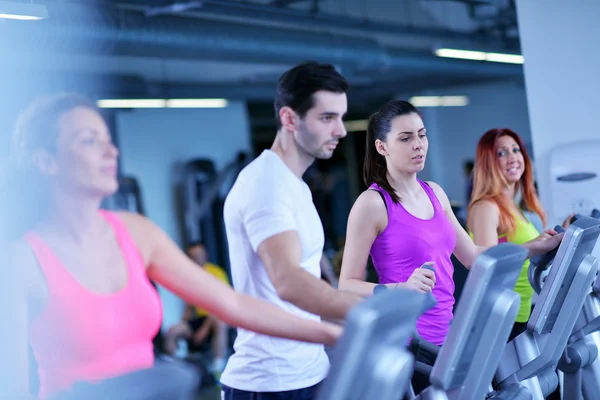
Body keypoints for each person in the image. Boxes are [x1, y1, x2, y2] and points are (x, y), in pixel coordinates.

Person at [0, 93, 342, 400]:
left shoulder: (136, 234)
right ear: (46, 161)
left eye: (108, 139)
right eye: (89, 141)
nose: (111, 151)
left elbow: (232, 303)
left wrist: (334, 333)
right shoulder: (20, 263)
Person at [337, 100, 562, 390]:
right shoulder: (372, 203)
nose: (418, 144)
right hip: (407, 344)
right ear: (382, 147)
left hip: (449, 336)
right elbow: (347, 284)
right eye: (405, 138)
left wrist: (536, 246)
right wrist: (400, 289)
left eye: (422, 134)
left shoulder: (435, 193)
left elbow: (475, 257)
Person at [220, 62, 362, 400]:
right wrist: (368, 315)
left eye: (341, 117)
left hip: (308, 370)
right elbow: (289, 280)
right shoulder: (266, 185)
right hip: (271, 382)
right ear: (289, 118)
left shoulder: (293, 184)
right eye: (327, 118)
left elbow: (308, 275)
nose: (341, 130)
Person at [466, 128, 572, 341]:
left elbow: (520, 249)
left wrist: (556, 237)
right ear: (488, 162)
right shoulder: (486, 207)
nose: (513, 157)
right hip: (500, 318)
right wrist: (537, 246)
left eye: (516, 150)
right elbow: (488, 265)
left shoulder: (512, 207)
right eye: (502, 153)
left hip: (521, 312)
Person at [164, 243, 230, 375]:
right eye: (193, 256)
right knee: (172, 331)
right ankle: (174, 367)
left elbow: (221, 305)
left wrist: (203, 330)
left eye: (199, 255)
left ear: (205, 255)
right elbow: (189, 305)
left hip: (213, 317)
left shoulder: (216, 273)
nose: (197, 259)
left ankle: (218, 366)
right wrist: (183, 323)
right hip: (197, 319)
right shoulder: (189, 276)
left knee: (220, 323)